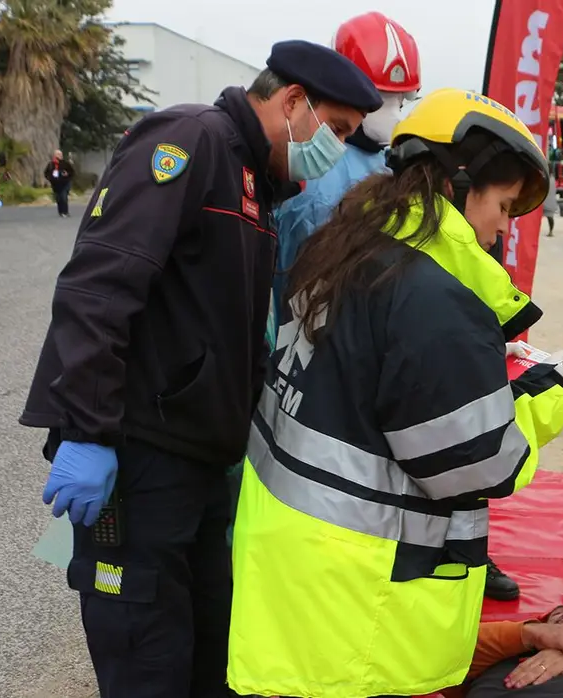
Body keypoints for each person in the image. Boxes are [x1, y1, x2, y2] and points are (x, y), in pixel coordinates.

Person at [21, 41, 380, 698]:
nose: (337, 150)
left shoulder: (254, 181)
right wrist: (87, 430)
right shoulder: (191, 141)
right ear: (293, 102)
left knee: (210, 654)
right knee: (147, 659)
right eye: (337, 131)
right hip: (143, 457)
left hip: (204, 467)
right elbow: (100, 286)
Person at [226, 87, 563, 698]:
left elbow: (364, 386)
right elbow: (478, 465)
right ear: (457, 182)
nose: (505, 227)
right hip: (358, 600)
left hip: (291, 569)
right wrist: (549, 390)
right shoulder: (435, 298)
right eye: (504, 205)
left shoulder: (349, 250)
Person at [271, 12, 421, 321]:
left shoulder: (392, 162)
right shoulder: (314, 170)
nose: (393, 114)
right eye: (383, 100)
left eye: (400, 102)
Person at [44, 149, 75, 217]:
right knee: (58, 198)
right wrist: (50, 178)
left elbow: (72, 172)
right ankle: (61, 212)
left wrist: (67, 174)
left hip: (65, 183)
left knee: (64, 197)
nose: (60, 156)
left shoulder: (65, 163)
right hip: (56, 184)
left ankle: (65, 212)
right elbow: (46, 173)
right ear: (55, 155)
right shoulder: (51, 164)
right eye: (58, 154)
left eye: (61, 154)